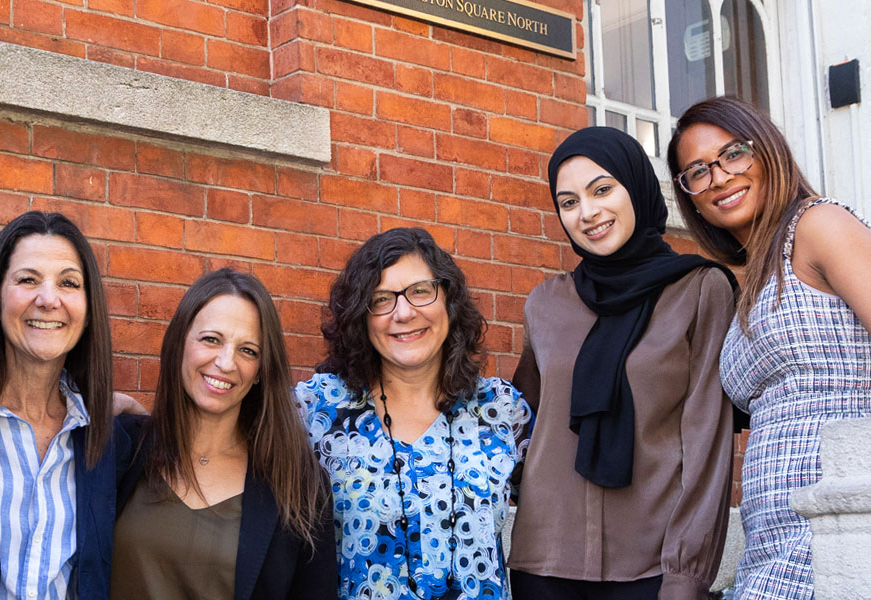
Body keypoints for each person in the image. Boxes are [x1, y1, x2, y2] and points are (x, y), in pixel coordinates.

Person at [666, 96, 871, 599]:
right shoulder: (755, 274)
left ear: (767, 150)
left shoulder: (818, 225)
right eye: (697, 171)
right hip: (773, 534)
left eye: (733, 154)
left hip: (832, 520)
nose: (719, 178)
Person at [506, 127, 738, 599]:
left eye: (602, 189)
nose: (588, 213)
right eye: (568, 202)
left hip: (652, 564)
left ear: (635, 186)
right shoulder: (545, 304)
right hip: (544, 561)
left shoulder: (699, 290)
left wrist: (686, 572)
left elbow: (707, 441)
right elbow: (520, 421)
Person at [294, 227, 534, 600]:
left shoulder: (502, 411)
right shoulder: (316, 412)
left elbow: (560, 518)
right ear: (361, 316)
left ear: (448, 301)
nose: (403, 313)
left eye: (420, 291)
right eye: (381, 299)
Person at [0, 211, 134, 600]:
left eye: (68, 283)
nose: (48, 299)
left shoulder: (108, 441)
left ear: (88, 311)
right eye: (27, 280)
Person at [112, 268, 337, 600]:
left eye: (248, 350)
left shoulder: (299, 487)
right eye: (211, 339)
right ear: (179, 343)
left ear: (261, 371)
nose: (226, 362)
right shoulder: (122, 447)